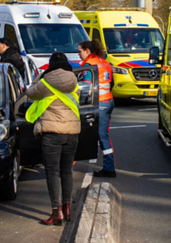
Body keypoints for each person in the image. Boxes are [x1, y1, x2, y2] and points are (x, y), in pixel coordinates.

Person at [25, 52, 80, 226]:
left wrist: (39, 77)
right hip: (72, 132)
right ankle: (68, 208)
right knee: (67, 171)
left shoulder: (45, 82)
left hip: (52, 133)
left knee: (53, 172)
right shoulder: (73, 81)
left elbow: (29, 93)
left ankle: (57, 212)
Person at [78, 39, 115, 178]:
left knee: (99, 135)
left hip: (100, 103)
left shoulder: (90, 66)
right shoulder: (105, 63)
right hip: (108, 100)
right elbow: (111, 83)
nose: (79, 54)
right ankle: (109, 167)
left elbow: (86, 88)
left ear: (87, 51)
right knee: (103, 135)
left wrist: (80, 103)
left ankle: (109, 168)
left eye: (80, 51)